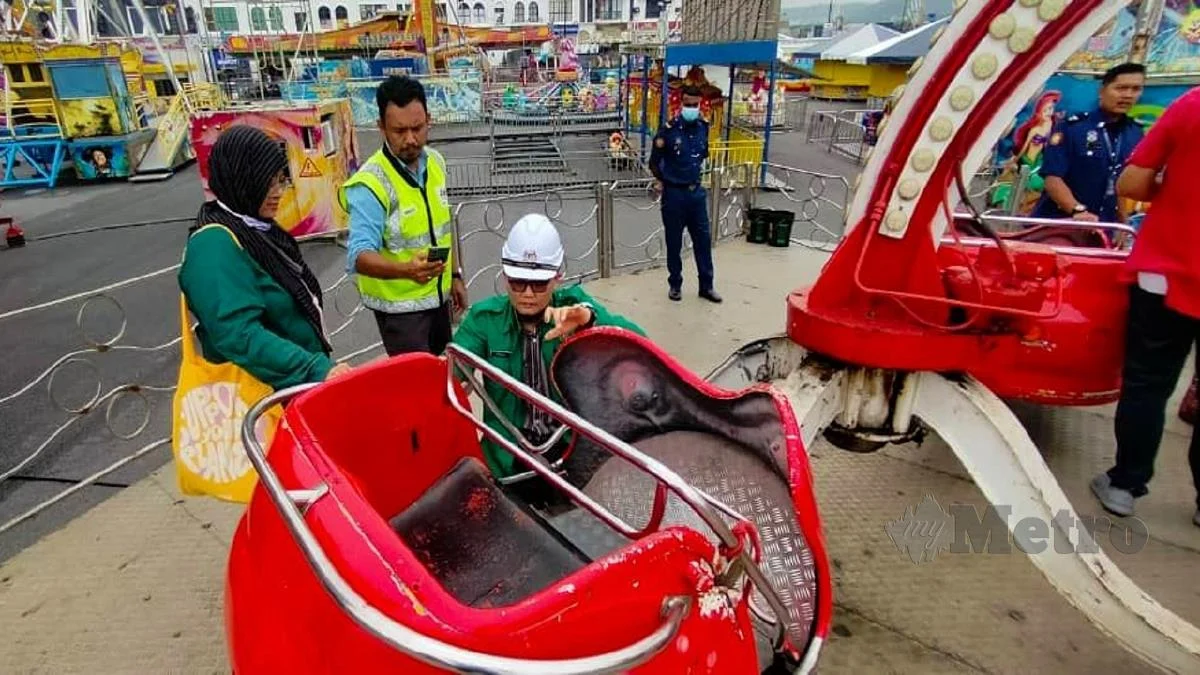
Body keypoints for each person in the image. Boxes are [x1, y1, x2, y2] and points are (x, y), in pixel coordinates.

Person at [451, 214, 645, 499]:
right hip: (509, 453)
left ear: (557, 277)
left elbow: (639, 344)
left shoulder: (574, 309)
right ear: (505, 276)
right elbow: (449, 375)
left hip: (569, 446)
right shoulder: (484, 320)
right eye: (518, 283)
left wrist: (591, 322)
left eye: (539, 284)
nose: (528, 294)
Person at [1090, 85, 1200, 526]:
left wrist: (1175, 187)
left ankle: (1125, 485)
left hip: (1168, 273)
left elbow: (1132, 182)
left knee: (1147, 385)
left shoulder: (1191, 105)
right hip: (1168, 272)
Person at [179, 125, 349, 389]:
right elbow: (239, 334)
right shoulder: (213, 246)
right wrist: (313, 368)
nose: (278, 191)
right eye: (266, 182)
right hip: (261, 397)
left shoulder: (259, 229)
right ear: (241, 178)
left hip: (294, 384)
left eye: (281, 179)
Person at [341, 75, 468, 357]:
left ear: (429, 120)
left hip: (438, 300)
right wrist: (407, 270)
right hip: (402, 316)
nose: (410, 139)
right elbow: (358, 256)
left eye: (417, 128)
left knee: (442, 378)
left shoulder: (435, 162)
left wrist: (455, 275)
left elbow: (444, 223)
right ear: (381, 128)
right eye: (399, 131)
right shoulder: (370, 183)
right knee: (415, 391)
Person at [1030, 62, 1147, 224]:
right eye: (1121, 88)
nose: (1128, 95)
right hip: (1061, 223)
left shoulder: (1135, 133)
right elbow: (1052, 178)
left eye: (1135, 89)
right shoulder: (1072, 127)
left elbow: (1118, 182)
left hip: (1104, 226)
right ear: (1102, 91)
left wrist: (1121, 219)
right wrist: (1078, 210)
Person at [649, 84, 722, 304]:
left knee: (703, 241)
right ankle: (675, 285)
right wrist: (665, 180)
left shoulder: (703, 126)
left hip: (696, 193)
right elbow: (654, 162)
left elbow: (703, 155)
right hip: (674, 195)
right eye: (688, 104)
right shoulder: (668, 130)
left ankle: (706, 286)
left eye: (695, 105)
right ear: (681, 104)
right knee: (674, 242)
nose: (692, 108)